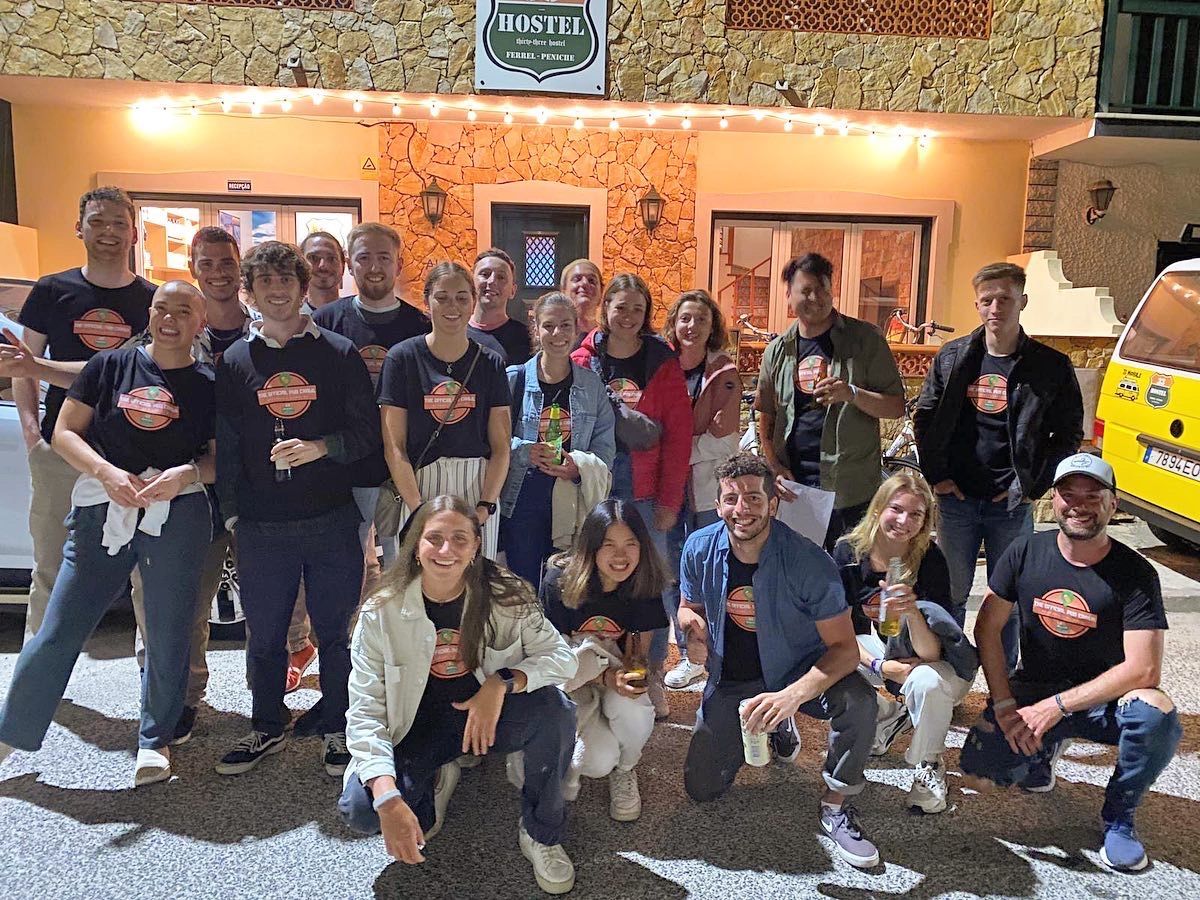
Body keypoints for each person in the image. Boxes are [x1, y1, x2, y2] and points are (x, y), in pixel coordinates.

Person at [0, 281, 214, 785]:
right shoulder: (109, 366)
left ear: (199, 323)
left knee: (166, 632)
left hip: (175, 515)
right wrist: (106, 473)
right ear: (150, 314)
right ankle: (11, 733)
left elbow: (221, 458)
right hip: (103, 509)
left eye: (184, 311)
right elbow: (66, 431)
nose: (170, 318)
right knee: (60, 626)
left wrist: (186, 475)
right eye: (162, 307)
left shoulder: (211, 383)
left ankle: (154, 739)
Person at [337, 495, 579, 895]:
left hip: (484, 718)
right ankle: (434, 779)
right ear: (415, 544)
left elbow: (561, 659)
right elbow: (365, 712)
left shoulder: (507, 593)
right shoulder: (381, 611)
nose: (446, 550)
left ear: (476, 546)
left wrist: (501, 681)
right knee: (363, 811)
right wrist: (387, 797)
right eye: (434, 538)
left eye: (460, 539)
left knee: (556, 710)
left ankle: (542, 832)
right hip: (417, 728)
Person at [961, 453, 1181, 872]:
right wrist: (1005, 704)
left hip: (1104, 701)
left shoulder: (1135, 573)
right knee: (980, 768)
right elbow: (987, 629)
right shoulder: (1025, 551)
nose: (1078, 504)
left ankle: (1120, 816)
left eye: (1092, 494)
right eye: (1068, 493)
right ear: (1054, 500)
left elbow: (1143, 670)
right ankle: (1043, 753)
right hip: (1034, 691)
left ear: (1113, 504)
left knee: (1157, 715)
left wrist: (1056, 707)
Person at [214, 241, 381, 778]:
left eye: (287, 280)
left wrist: (320, 448)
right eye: (265, 282)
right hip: (263, 524)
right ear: (251, 292)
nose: (278, 290)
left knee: (334, 631)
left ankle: (338, 724)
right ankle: (266, 724)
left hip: (331, 517)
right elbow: (229, 443)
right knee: (263, 634)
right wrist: (234, 517)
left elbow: (365, 433)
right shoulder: (237, 360)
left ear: (303, 287)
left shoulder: (336, 353)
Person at [677, 453, 881, 868]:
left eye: (754, 498)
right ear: (717, 505)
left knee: (860, 700)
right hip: (732, 677)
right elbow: (687, 606)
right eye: (731, 499)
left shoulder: (808, 562)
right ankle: (771, 721)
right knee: (702, 787)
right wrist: (691, 630)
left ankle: (836, 803)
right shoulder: (698, 547)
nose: (741, 509)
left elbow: (846, 650)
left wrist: (791, 695)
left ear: (773, 504)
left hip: (799, 670)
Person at [914, 261, 1083, 669]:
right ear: (977, 305)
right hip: (956, 502)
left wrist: (1032, 486)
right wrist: (938, 477)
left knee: (1006, 597)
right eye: (987, 300)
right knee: (949, 594)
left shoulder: (1050, 366)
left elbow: (1068, 435)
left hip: (1011, 504)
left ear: (1022, 302)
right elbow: (925, 417)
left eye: (1005, 299)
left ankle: (1001, 684)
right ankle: (950, 675)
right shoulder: (954, 357)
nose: (995, 308)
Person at [5, 187, 154, 644]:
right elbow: (20, 365)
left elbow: (115, 376)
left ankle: (156, 684)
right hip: (61, 453)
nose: (108, 232)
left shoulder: (152, 300)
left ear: (133, 231)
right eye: (97, 222)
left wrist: (40, 368)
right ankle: (39, 682)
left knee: (145, 575)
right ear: (79, 228)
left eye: (117, 223)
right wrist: (33, 434)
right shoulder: (52, 290)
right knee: (50, 569)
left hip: (132, 455)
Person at [572, 274, 691, 718]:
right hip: (594, 481)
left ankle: (652, 670)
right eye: (620, 307)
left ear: (646, 314)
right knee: (594, 576)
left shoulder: (661, 361)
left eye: (637, 309)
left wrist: (668, 502)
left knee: (651, 585)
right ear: (606, 309)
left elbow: (678, 437)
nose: (628, 317)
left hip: (645, 486)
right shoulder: (584, 356)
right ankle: (597, 667)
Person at [832, 472, 978, 814]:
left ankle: (929, 764)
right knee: (824, 660)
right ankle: (886, 716)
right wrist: (881, 666)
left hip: (931, 663)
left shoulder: (930, 559)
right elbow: (838, 631)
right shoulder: (848, 552)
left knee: (925, 683)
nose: (904, 521)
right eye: (896, 509)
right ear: (879, 508)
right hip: (875, 652)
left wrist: (912, 611)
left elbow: (932, 654)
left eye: (916, 515)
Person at [755, 253, 905, 549]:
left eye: (823, 288)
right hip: (796, 489)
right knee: (801, 576)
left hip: (851, 490)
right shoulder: (778, 350)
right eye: (806, 290)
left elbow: (895, 406)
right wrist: (773, 465)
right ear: (789, 296)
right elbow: (767, 416)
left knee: (849, 575)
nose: (817, 297)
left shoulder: (864, 340)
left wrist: (852, 393)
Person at [539, 499, 670, 820]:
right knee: (595, 762)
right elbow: (553, 661)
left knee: (629, 703)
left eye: (630, 544)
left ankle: (627, 769)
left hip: (615, 671)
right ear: (591, 547)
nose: (621, 555)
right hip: (574, 680)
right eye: (608, 544)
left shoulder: (644, 582)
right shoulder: (559, 582)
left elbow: (637, 655)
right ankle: (600, 757)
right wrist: (601, 677)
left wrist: (624, 679)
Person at [313, 222, 429, 579]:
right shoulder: (325, 322)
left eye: (384, 258)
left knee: (405, 562)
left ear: (399, 263)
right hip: (344, 467)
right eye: (364, 258)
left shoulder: (420, 326)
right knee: (344, 566)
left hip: (406, 465)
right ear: (350, 264)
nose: (375, 267)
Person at [378, 262, 511, 560]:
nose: (453, 306)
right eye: (443, 297)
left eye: (462, 298)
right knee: (419, 581)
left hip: (477, 482)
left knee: (474, 583)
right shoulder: (402, 358)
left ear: (473, 302)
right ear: (427, 302)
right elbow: (394, 447)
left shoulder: (490, 362)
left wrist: (485, 506)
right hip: (420, 484)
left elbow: (501, 447)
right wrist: (418, 508)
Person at [501, 292, 615, 589]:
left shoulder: (591, 385)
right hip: (522, 500)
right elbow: (491, 440)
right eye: (548, 326)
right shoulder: (513, 379)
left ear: (576, 329)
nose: (557, 334)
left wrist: (579, 466)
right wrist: (524, 452)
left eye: (565, 326)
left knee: (563, 585)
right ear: (536, 329)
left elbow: (605, 446)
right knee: (522, 586)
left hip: (570, 502)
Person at [661, 289, 741, 691]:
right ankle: (687, 653)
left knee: (711, 573)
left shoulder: (723, 371)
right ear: (674, 322)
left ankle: (718, 653)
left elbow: (724, 440)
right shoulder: (661, 365)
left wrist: (673, 450)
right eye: (685, 318)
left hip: (706, 489)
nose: (692, 327)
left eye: (702, 320)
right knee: (673, 575)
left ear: (713, 328)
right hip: (666, 490)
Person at [470, 249, 532, 366]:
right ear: (471, 283)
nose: (492, 281)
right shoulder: (455, 331)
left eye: (501, 277)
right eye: (485, 274)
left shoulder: (527, 339)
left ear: (513, 291)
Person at [301, 231, 348, 312]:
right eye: (313, 258)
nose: (323, 265)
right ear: (301, 265)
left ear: (343, 266)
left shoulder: (357, 317)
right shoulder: (289, 320)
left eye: (331, 258)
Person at [560, 259, 602, 340]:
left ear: (601, 291)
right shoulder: (553, 335)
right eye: (577, 279)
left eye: (591, 280)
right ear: (563, 290)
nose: (585, 283)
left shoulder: (610, 338)